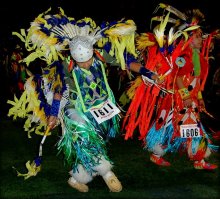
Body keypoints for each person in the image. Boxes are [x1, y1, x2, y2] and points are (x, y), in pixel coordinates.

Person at [7, 8, 158, 192]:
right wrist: (54, 114)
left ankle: (78, 177)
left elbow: (125, 61)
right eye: (81, 61)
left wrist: (145, 71)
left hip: (100, 108)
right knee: (87, 140)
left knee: (93, 144)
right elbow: (57, 90)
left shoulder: (101, 55)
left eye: (88, 59)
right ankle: (107, 173)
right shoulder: (64, 67)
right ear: (72, 56)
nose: (86, 64)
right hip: (75, 111)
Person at [122, 3, 219, 170]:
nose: (201, 40)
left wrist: (199, 98)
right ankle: (162, 154)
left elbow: (196, 83)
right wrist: (185, 96)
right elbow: (178, 77)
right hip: (177, 101)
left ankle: (198, 159)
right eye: (197, 36)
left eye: (201, 36)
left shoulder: (199, 58)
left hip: (190, 101)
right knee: (170, 127)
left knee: (187, 128)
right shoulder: (183, 57)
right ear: (188, 38)